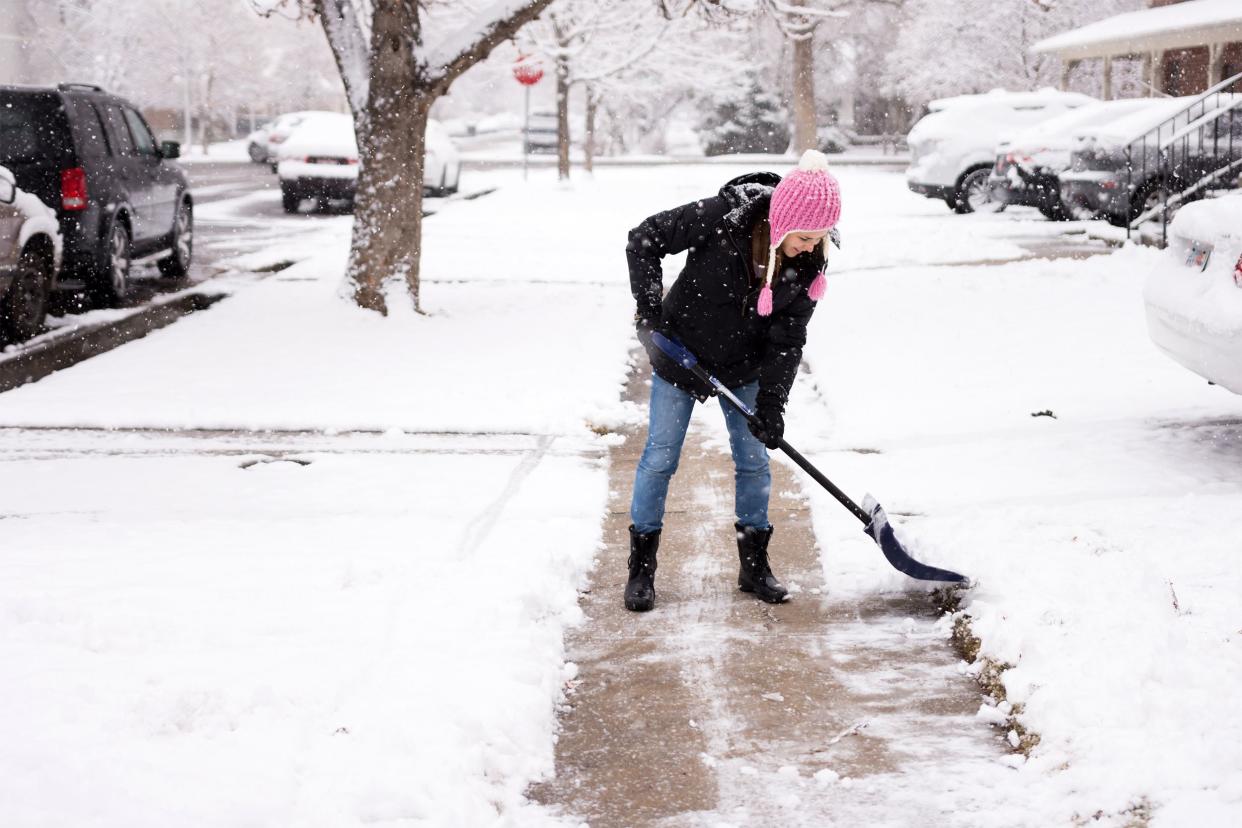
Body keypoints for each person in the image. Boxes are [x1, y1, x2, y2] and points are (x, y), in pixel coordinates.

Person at [623, 149, 842, 612]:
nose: (810, 247)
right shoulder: (722, 218)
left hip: (745, 367)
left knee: (753, 460)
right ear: (782, 222)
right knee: (660, 458)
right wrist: (648, 310)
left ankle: (754, 566)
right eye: (804, 237)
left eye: (819, 239)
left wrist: (772, 406)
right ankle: (641, 569)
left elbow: (788, 339)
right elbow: (644, 238)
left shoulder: (809, 265)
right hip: (680, 355)